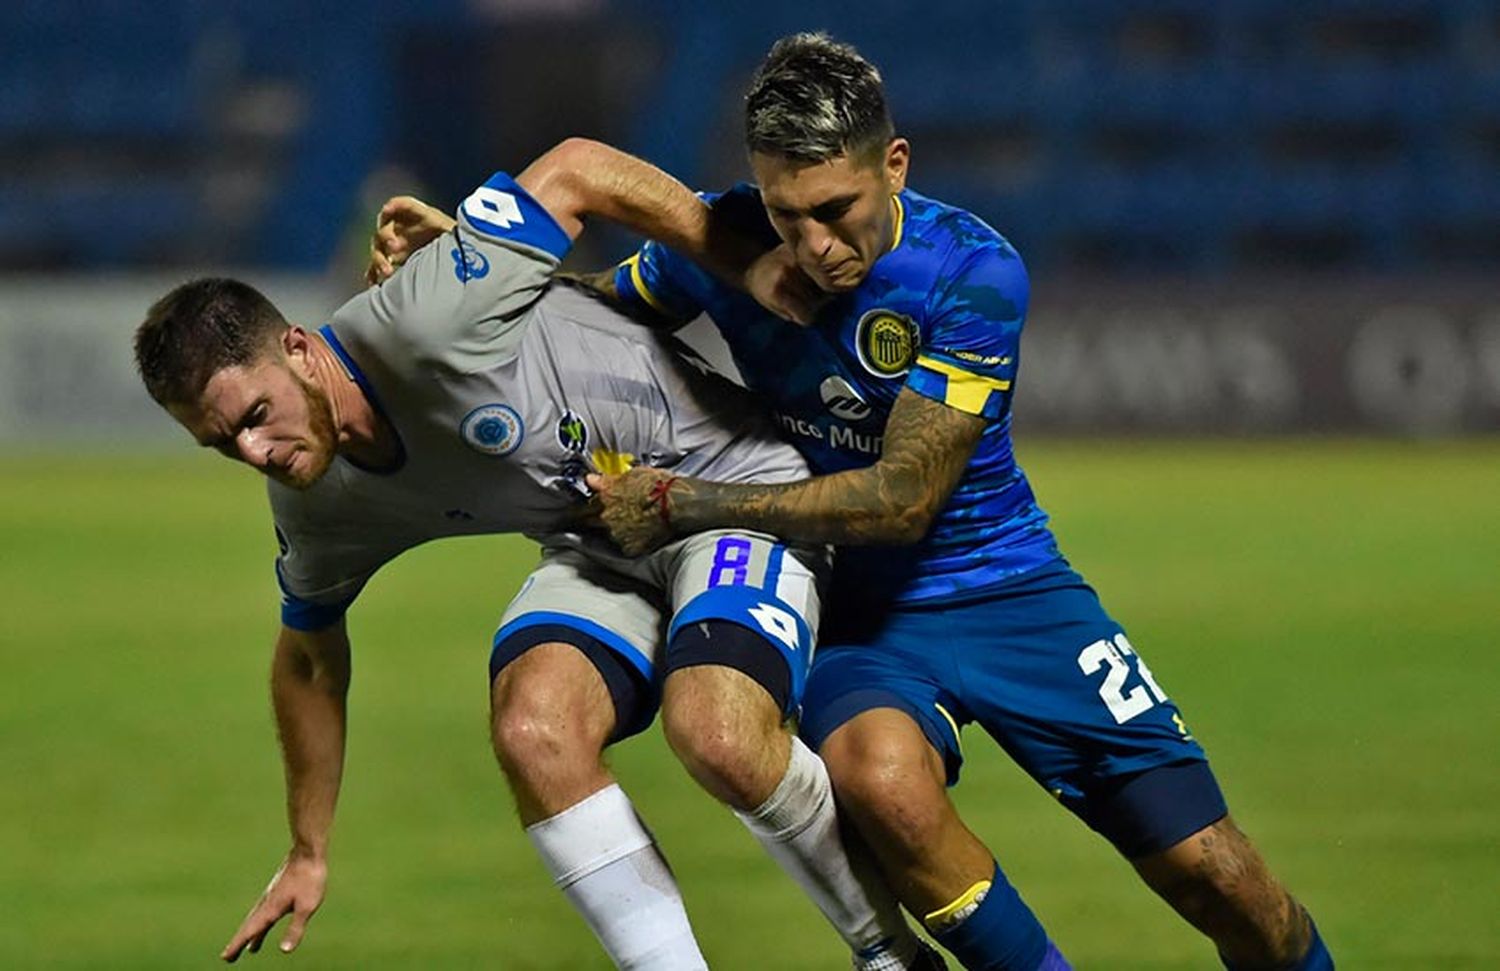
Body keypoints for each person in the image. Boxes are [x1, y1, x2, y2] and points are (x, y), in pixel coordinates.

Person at [381, 32, 1335, 971]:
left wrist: (684, 504)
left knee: (1217, 875)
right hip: (851, 614)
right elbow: (603, 316)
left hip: (1007, 586)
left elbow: (901, 501)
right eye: (786, 214)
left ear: (895, 164)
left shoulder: (971, 270)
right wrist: (481, 279)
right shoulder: (727, 243)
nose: (813, 245)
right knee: (885, 787)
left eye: (835, 209)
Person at [136, 139, 938, 969]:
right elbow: (306, 656)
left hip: (732, 490)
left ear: (300, 349)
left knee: (719, 732)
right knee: (533, 727)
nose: (257, 449)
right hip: (602, 541)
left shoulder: (426, 317)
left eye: (257, 412)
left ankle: (887, 954)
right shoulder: (318, 503)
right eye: (224, 442)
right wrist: (307, 847)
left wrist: (744, 263)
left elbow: (579, 167)